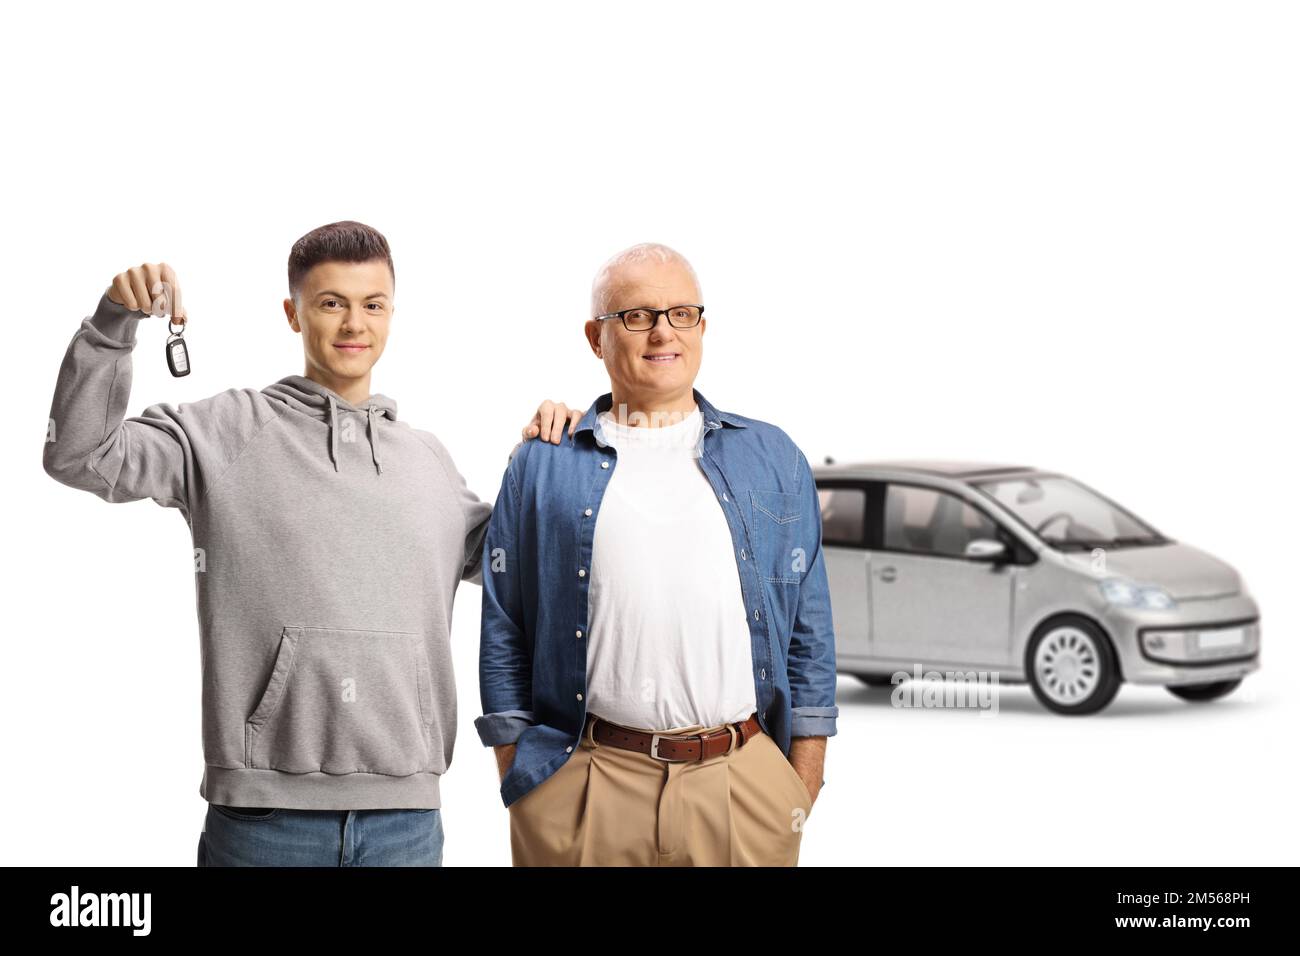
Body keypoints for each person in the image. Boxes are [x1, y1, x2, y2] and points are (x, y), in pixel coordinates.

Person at [42, 220, 577, 866]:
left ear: (390, 315)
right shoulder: (222, 434)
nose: (355, 323)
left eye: (372, 304)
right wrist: (112, 325)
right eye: (332, 303)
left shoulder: (428, 461)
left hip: (406, 822)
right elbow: (79, 454)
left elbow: (513, 564)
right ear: (293, 313)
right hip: (264, 821)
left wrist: (551, 460)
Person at [476, 242, 838, 866]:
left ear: (703, 326)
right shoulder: (542, 463)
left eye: (682, 313)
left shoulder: (773, 458)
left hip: (742, 785)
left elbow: (809, 628)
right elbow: (504, 624)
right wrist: (523, 778)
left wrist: (799, 785)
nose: (662, 332)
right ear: (597, 336)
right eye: (637, 315)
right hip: (586, 786)